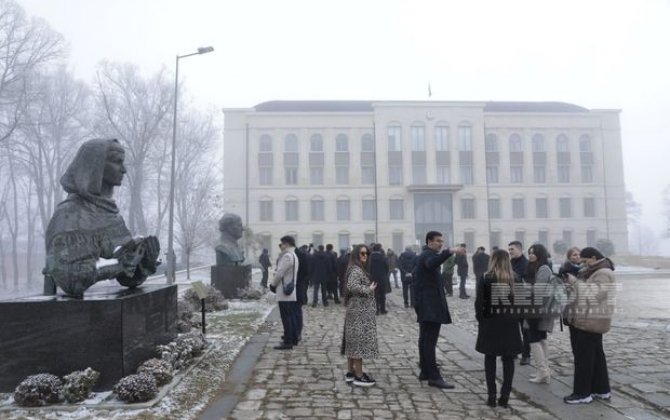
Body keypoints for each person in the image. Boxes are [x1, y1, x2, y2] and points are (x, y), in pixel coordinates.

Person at [44, 138, 159, 297]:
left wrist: (144, 263)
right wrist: (119, 265)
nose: (124, 170)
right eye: (117, 162)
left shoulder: (112, 215)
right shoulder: (69, 214)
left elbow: (127, 279)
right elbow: (70, 281)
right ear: (95, 165)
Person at [562, 247, 616, 404]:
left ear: (593, 257)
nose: (583, 264)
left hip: (591, 320)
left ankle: (582, 393)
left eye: (585, 261)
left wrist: (574, 282)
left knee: (584, 359)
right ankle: (601, 390)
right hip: (588, 319)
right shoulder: (594, 271)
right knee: (597, 358)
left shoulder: (604, 273)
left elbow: (593, 294)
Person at [414, 231, 464, 389]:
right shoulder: (428, 255)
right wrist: (449, 252)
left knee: (424, 338)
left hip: (426, 304)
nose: (441, 243)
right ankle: (434, 376)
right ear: (429, 242)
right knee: (429, 341)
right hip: (430, 305)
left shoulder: (426, 254)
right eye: (438, 241)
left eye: (442, 241)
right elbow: (432, 264)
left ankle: (425, 370)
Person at [475, 249, 523, 408]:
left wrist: (481, 320)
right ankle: (505, 396)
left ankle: (491, 396)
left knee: (490, 359)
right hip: (510, 323)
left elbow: (479, 302)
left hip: (491, 322)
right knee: (509, 360)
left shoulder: (486, 277)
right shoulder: (515, 278)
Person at [341, 244, 378, 387]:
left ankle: (350, 372)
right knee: (358, 343)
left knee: (352, 341)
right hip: (358, 312)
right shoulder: (356, 270)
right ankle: (359, 375)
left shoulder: (355, 269)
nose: (365, 256)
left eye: (367, 253)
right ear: (356, 255)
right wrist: (368, 289)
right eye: (362, 253)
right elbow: (352, 286)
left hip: (356, 310)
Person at [525, 243, 555, 383]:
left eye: (534, 252)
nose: (531, 255)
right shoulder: (535, 267)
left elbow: (538, 290)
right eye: (529, 252)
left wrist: (523, 286)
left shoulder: (543, 268)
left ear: (540, 254)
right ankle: (544, 370)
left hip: (537, 308)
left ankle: (543, 371)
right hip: (535, 307)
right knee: (541, 337)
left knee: (534, 339)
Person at [270, 236, 299, 350]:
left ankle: (288, 341)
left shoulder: (287, 256)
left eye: (281, 244)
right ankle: (293, 338)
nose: (280, 246)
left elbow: (280, 273)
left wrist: (272, 284)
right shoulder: (294, 255)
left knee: (286, 317)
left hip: (284, 291)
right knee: (290, 316)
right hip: (290, 291)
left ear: (286, 244)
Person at [508, 241, 531, 365]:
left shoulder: (527, 264)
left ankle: (526, 354)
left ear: (520, 249)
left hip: (523, 301)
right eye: (509, 249)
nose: (510, 251)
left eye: (512, 249)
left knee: (525, 329)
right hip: (511, 300)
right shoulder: (509, 263)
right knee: (512, 328)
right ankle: (514, 351)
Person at [294, 245, 311, 342]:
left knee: (296, 311)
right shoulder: (306, 255)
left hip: (298, 284)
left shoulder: (300, 255)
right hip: (303, 282)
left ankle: (297, 333)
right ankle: (295, 332)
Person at [368, 244, 389, 314]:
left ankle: (376, 310)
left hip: (373, 278)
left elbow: (368, 268)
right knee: (382, 295)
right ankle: (383, 309)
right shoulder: (383, 257)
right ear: (379, 249)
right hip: (382, 278)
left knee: (374, 295)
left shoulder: (369, 258)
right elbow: (387, 268)